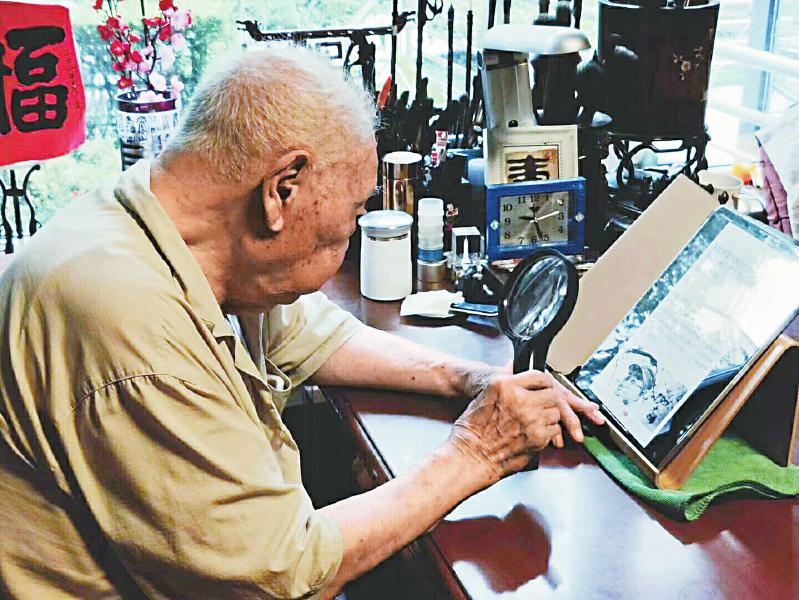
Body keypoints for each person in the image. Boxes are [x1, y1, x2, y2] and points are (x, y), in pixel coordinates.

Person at [0, 46, 603, 599]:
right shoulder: (132, 324)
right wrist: (477, 450)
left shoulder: (167, 220)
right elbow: (284, 573)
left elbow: (309, 331)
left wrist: (469, 379)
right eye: (351, 217)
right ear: (282, 190)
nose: (349, 236)